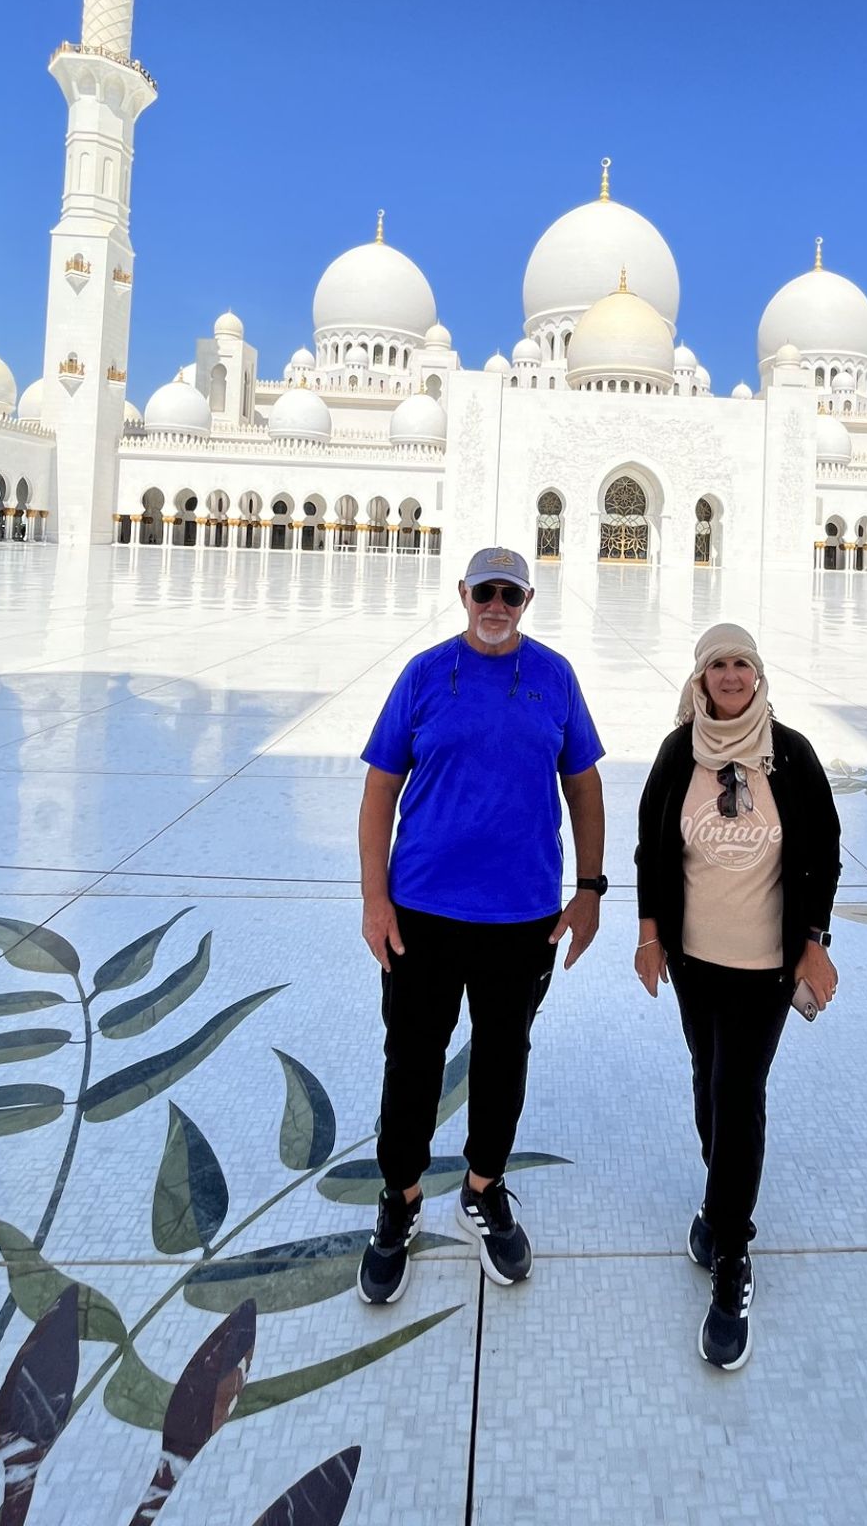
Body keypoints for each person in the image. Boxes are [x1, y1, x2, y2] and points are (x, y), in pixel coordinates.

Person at [357, 546, 606, 1304]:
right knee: (412, 1063)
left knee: (503, 1058)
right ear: (463, 594)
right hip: (423, 912)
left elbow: (586, 788)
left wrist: (590, 890)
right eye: (485, 592)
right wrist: (375, 899)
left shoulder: (555, 678)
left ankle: (482, 1187)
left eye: (512, 594)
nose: (497, 606)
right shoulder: (426, 675)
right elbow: (378, 793)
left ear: (527, 600)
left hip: (522, 916)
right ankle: (398, 1202)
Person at [634, 623, 840, 1370]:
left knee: (737, 1087)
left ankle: (732, 1253)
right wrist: (649, 933)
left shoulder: (791, 753)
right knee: (706, 1081)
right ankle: (719, 1207)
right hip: (694, 959)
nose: (729, 676)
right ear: (699, 677)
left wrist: (814, 937)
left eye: (741, 664)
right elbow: (651, 846)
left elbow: (823, 849)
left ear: (758, 675)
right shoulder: (677, 750)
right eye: (717, 665)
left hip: (766, 963)